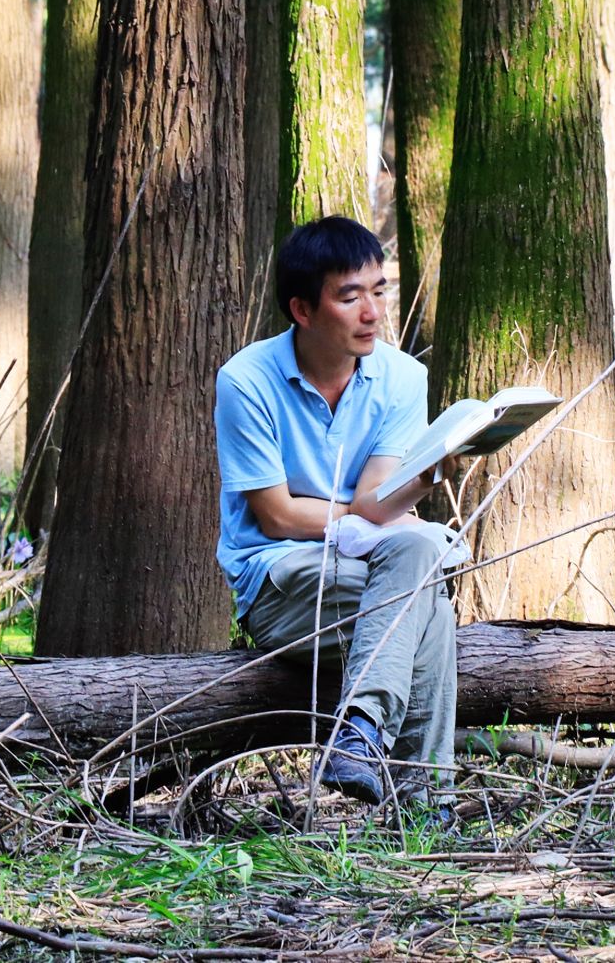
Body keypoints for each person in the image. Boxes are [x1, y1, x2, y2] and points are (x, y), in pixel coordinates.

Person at [214, 216, 458, 805]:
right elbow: (276, 515)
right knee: (426, 593)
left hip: (373, 572)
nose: (372, 311)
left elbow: (377, 499)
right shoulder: (246, 381)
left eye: (379, 290)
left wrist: (425, 476)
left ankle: (361, 736)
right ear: (303, 309)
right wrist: (367, 518)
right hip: (278, 581)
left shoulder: (402, 377)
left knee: (422, 550)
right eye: (350, 297)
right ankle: (427, 801)